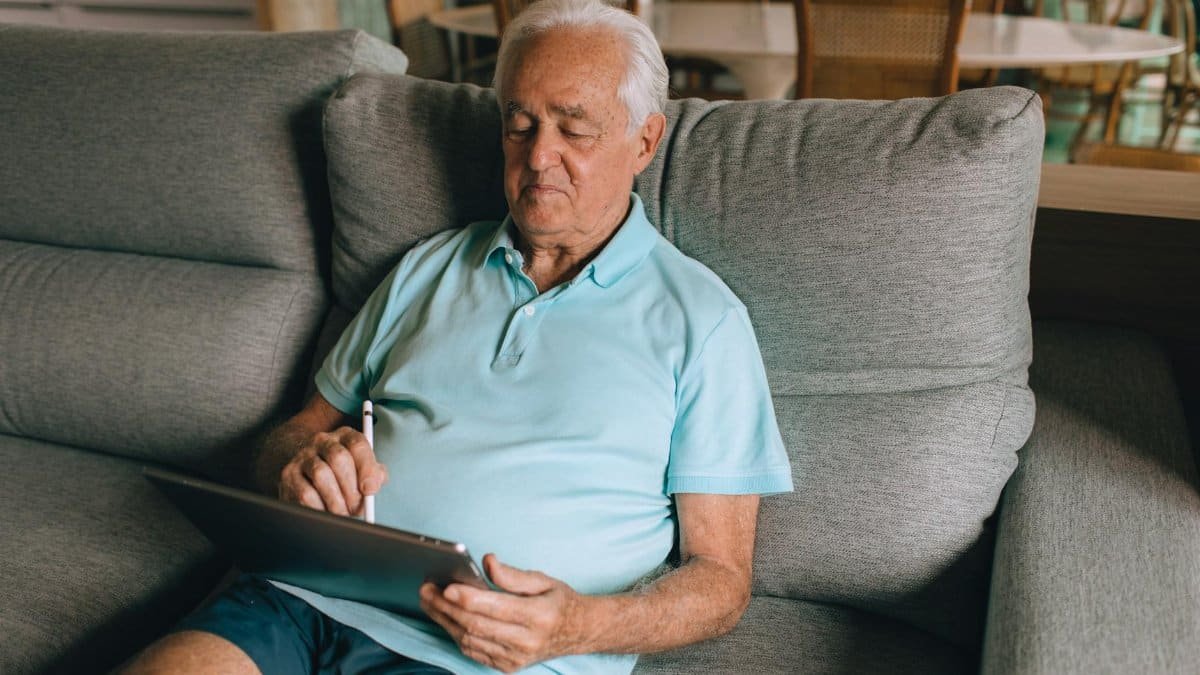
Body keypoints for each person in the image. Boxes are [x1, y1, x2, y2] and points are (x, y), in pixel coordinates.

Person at [123, 0, 791, 672]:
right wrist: (299, 463)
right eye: (520, 126)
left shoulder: (702, 320)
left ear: (644, 141)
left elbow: (721, 582)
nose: (539, 157)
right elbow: (296, 432)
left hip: (479, 656)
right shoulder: (429, 267)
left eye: (574, 129)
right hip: (303, 599)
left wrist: (579, 625)